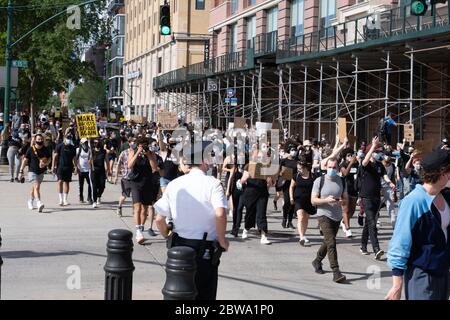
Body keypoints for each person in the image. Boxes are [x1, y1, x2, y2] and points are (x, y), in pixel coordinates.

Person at [154, 140, 229, 300]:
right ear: (202, 161)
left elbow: (159, 218)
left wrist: (167, 235)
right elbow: (220, 214)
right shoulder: (213, 183)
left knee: (179, 293)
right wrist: (222, 240)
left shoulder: (174, 184)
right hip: (204, 249)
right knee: (204, 294)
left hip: (179, 247)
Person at [386, 148, 450, 300]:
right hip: (422, 275)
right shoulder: (414, 201)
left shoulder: (446, 196)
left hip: (443, 272)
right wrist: (397, 285)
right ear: (442, 174)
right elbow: (400, 243)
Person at [311, 157, 348, 283]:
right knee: (331, 242)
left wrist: (342, 202)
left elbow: (345, 199)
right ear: (326, 167)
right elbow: (313, 200)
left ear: (337, 168)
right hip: (323, 214)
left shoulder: (342, 181)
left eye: (334, 167)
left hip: (336, 216)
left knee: (328, 241)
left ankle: (317, 261)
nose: (332, 169)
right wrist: (326, 200)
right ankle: (336, 271)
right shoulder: (319, 180)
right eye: (330, 167)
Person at [359, 137, 396, 259]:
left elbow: (384, 175)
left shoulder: (380, 165)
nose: (379, 153)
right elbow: (364, 161)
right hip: (367, 197)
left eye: (379, 151)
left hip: (376, 197)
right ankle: (377, 249)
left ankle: (363, 246)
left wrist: (390, 183)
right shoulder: (366, 164)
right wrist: (372, 147)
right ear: (372, 152)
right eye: (377, 151)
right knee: (372, 223)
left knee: (368, 223)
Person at [127, 137, 158, 244]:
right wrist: (137, 153)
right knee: (137, 207)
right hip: (136, 182)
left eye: (145, 145)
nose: (143, 146)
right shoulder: (133, 151)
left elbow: (154, 168)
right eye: (141, 145)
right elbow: (130, 165)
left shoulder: (151, 153)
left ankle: (141, 227)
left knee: (145, 209)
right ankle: (138, 232)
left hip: (147, 182)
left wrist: (149, 155)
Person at [18, 134, 51, 212]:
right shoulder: (30, 149)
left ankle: (30, 200)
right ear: (35, 140)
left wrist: (45, 164)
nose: (40, 141)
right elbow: (25, 160)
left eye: (41, 139)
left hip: (41, 172)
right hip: (32, 171)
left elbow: (49, 159)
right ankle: (39, 203)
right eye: (38, 139)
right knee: (36, 187)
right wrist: (21, 171)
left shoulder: (45, 149)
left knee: (35, 188)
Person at [290, 158, 315, 246]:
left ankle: (303, 235)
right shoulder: (296, 176)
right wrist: (291, 198)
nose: (298, 170)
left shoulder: (312, 176)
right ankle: (301, 237)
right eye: (298, 168)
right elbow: (291, 187)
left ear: (305, 168)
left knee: (306, 218)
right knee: (300, 217)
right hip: (298, 199)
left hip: (309, 200)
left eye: (300, 168)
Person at [52, 135, 77, 206]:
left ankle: (65, 200)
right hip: (60, 166)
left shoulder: (72, 147)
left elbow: (74, 158)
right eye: (67, 138)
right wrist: (53, 166)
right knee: (60, 181)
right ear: (64, 139)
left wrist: (75, 167)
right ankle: (60, 199)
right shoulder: (59, 146)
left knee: (67, 183)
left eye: (70, 138)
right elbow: (55, 156)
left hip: (69, 167)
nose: (68, 139)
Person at [339, 149, 358, 237]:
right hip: (345, 189)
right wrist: (350, 163)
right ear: (345, 157)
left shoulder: (356, 164)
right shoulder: (343, 165)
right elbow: (345, 173)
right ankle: (347, 229)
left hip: (354, 189)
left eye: (352, 155)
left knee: (352, 210)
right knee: (345, 209)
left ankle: (343, 221)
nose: (351, 157)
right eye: (349, 155)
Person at [279, 145, 299, 229]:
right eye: (292, 150)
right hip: (286, 183)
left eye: (295, 150)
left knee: (293, 203)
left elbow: (299, 171)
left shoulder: (297, 161)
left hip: (295, 183)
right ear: (289, 151)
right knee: (287, 201)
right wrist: (281, 174)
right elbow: (279, 171)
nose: (294, 151)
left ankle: (290, 221)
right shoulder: (284, 161)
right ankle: (284, 219)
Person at [114, 137, 134, 217]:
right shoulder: (124, 153)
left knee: (135, 195)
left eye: (135, 142)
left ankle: (134, 210)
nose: (134, 143)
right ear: (129, 143)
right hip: (126, 177)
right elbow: (118, 164)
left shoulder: (138, 153)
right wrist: (116, 176)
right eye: (133, 142)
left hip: (136, 178)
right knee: (124, 195)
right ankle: (119, 207)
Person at [91, 140, 110, 208]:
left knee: (102, 185)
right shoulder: (91, 151)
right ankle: (94, 201)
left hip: (102, 171)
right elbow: (88, 161)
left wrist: (109, 170)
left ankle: (99, 195)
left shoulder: (104, 152)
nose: (97, 147)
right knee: (94, 186)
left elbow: (107, 161)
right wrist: (90, 160)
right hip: (94, 171)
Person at [77, 138, 93, 204]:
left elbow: (91, 157)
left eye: (86, 142)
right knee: (81, 185)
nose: (85, 144)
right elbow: (76, 158)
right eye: (84, 143)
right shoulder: (78, 149)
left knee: (90, 184)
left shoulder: (89, 149)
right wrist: (76, 167)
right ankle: (81, 197)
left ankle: (89, 197)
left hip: (88, 169)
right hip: (81, 169)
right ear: (81, 143)